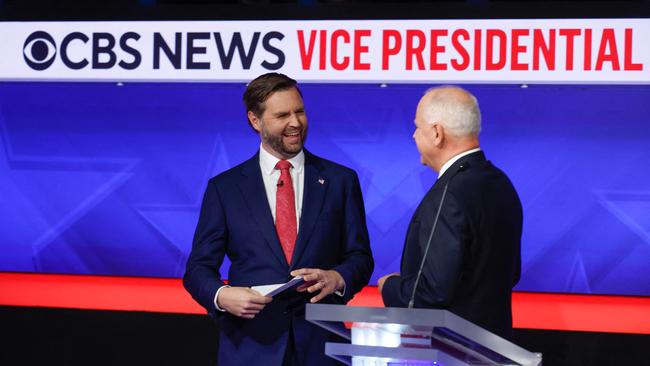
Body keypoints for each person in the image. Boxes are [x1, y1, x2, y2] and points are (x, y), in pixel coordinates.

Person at [184, 72, 373, 365]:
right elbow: (198, 269)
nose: (295, 122)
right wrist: (222, 295)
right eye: (282, 115)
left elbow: (360, 257)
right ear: (255, 121)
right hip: (250, 347)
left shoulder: (340, 180)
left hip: (322, 346)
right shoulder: (225, 188)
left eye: (300, 111)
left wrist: (338, 278)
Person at [378, 86, 522, 340]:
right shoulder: (500, 182)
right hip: (493, 346)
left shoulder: (451, 193)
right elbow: (510, 274)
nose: (413, 136)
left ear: (436, 133)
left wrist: (389, 286)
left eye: (417, 127)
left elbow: (429, 294)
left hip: (451, 348)